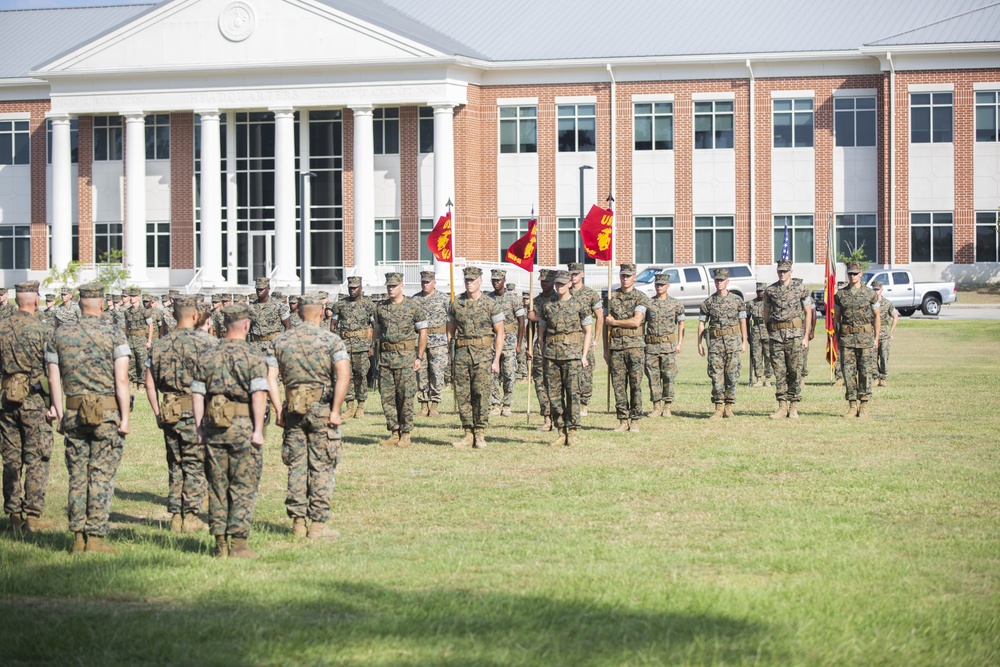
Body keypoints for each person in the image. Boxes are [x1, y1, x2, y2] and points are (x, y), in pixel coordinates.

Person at [46, 283, 132, 554]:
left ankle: (77, 538)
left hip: (72, 412)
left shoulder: (59, 334)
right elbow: (122, 379)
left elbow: (53, 379)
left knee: (77, 475)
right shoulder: (114, 333)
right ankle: (94, 538)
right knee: (101, 475)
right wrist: (125, 417)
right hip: (106, 414)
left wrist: (59, 414)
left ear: (79, 304)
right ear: (102, 304)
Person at [191, 303, 281, 559]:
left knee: (217, 485)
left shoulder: (208, 355)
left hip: (214, 427)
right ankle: (239, 545)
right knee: (243, 485)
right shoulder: (254, 356)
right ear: (246, 325)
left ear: (222, 326)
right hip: (243, 428)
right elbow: (259, 394)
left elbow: (197, 394)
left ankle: (219, 544)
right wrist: (258, 430)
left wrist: (199, 428)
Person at [273, 294, 350, 540]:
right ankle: (317, 525)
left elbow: (269, 377)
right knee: (322, 466)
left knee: (296, 466)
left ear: (297, 314)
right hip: (322, 410)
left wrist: (278, 409)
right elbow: (343, 376)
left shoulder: (281, 341)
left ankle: (298, 523)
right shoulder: (331, 340)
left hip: (293, 409)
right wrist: (336, 410)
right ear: (320, 313)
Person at [145, 295, 217, 533]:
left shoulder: (159, 344)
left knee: (175, 462)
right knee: (195, 463)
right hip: (197, 410)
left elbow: (149, 382)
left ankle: (175, 515)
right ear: (196, 316)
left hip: (169, 409)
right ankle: (191, 515)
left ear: (173, 316)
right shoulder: (207, 343)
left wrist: (157, 411)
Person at [0, 281, 56, 532]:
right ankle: (32, 516)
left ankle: (13, 514)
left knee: (11, 459)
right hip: (35, 402)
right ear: (36, 301)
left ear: (14, 301)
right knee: (36, 458)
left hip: (6, 401)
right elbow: (52, 371)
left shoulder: (2, 327)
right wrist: (55, 404)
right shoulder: (44, 330)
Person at [448, 267, 503, 449]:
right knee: (463, 395)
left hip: (483, 355)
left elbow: (500, 332)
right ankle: (468, 433)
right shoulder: (456, 304)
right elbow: (450, 331)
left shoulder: (491, 304)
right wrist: (451, 354)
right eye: (466, 280)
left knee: (481, 394)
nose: (469, 283)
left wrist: (496, 359)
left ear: (480, 280)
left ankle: (480, 434)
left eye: (472, 280)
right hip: (462, 355)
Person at [373, 273, 428, 448]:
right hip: (386, 359)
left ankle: (406, 433)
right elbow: (377, 330)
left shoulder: (413, 308)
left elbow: (423, 333)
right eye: (388, 285)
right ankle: (394, 432)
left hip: (406, 359)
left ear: (401, 286)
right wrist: (373, 347)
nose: (391, 288)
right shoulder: (381, 309)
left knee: (405, 396)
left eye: (394, 286)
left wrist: (419, 356)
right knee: (387, 397)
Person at [538, 271, 593, 447]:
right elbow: (541, 334)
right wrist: (544, 352)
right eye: (557, 284)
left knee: (573, 394)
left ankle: (573, 431)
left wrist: (583, 356)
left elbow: (587, 331)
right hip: (552, 356)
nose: (559, 287)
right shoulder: (548, 306)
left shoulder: (579, 304)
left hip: (572, 356)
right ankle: (561, 431)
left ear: (570, 284)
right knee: (554, 396)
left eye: (563, 284)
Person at [762, 260, 813, 419]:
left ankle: (793, 406)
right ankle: (782, 406)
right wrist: (769, 331)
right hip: (777, 337)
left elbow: (808, 312)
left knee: (795, 371)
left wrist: (806, 336)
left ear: (791, 271)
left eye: (785, 271)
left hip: (795, 336)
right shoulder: (770, 291)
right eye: (779, 271)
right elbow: (766, 314)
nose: (782, 274)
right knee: (779, 372)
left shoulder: (801, 289)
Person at [697, 269, 747, 418]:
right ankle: (718, 408)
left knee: (732, 376)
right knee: (716, 377)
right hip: (715, 345)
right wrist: (699, 343)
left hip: (733, 344)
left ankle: (729, 407)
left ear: (727, 281)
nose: (719, 283)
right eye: (717, 280)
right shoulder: (708, 303)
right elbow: (701, 324)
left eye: (722, 280)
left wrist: (744, 341)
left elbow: (742, 321)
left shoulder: (737, 301)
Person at [605, 263, 649, 432]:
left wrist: (615, 322)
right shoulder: (612, 297)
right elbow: (604, 326)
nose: (625, 279)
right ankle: (623, 420)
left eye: (628, 276)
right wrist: (605, 349)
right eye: (623, 275)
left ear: (634, 277)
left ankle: (635, 419)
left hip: (635, 347)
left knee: (635, 384)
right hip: (616, 347)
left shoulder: (640, 297)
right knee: (618, 385)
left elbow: (636, 321)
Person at [834, 261, 881, 418]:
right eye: (850, 273)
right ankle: (852, 405)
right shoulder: (840, 295)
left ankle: (864, 405)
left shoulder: (870, 294)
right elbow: (837, 318)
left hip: (865, 339)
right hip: (847, 339)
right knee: (848, 373)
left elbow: (877, 316)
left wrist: (876, 338)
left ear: (861, 274)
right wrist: (837, 336)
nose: (852, 276)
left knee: (866, 372)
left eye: (855, 273)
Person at [329, 276, 375, 418]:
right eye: (350, 288)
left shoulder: (368, 305)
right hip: (344, 346)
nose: (352, 290)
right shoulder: (340, 305)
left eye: (355, 288)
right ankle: (349, 406)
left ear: (361, 288)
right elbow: (333, 325)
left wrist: (372, 345)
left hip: (362, 346)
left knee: (361, 375)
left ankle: (360, 405)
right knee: (345, 376)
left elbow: (375, 327)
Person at [643, 272, 685, 418]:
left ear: (668, 286)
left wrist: (679, 343)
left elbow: (681, 323)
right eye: (657, 284)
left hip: (668, 346)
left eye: (662, 285)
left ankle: (667, 406)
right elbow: (642, 323)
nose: (659, 287)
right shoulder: (648, 303)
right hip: (651, 347)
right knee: (653, 377)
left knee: (669, 376)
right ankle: (656, 406)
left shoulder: (676, 304)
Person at [411, 270, 450, 417]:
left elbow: (451, 319)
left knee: (437, 373)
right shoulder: (415, 300)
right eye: (423, 282)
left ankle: (435, 404)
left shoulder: (443, 298)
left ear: (434, 283)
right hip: (419, 341)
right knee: (421, 373)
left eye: (428, 282)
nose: (425, 284)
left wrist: (450, 338)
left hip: (438, 340)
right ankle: (423, 405)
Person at [488, 269, 525, 417]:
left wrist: (519, 344)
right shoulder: (488, 299)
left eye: (499, 280)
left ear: (504, 280)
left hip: (509, 340)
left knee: (509, 374)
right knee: (493, 373)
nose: (496, 282)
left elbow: (522, 323)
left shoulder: (513, 299)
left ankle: (507, 404)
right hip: (492, 340)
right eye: (494, 280)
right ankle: (495, 404)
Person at [567, 262, 603, 416]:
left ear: (582, 274)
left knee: (586, 371)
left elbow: (599, 316)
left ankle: (584, 403)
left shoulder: (590, 294)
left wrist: (596, 339)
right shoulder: (564, 292)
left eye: (576, 273)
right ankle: (571, 402)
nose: (573, 276)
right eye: (571, 273)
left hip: (584, 337)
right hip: (568, 338)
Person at [527, 269, 557, 431]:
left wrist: (536, 319)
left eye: (547, 281)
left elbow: (556, 323)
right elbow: (529, 326)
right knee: (540, 382)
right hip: (539, 346)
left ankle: (557, 416)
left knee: (554, 382)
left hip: (555, 345)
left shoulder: (558, 300)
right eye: (542, 281)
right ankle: (546, 418)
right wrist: (528, 346)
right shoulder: (535, 302)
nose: (544, 283)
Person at [248, 277, 291, 360]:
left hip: (272, 345)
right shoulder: (251, 307)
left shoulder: (278, 306)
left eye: (262, 289)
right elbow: (247, 328)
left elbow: (288, 326)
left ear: (268, 289)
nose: (259, 291)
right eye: (257, 289)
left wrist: (283, 344)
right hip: (255, 345)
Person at [124, 287, 154, 386]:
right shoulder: (127, 312)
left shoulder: (145, 311)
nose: (131, 298)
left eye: (134, 296)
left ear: (139, 297)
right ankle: (132, 382)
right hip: (130, 340)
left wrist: (149, 341)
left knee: (142, 362)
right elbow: (126, 326)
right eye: (130, 296)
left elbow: (150, 326)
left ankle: (142, 383)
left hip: (141, 340)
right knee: (131, 362)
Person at [746, 282, 773, 387]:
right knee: (756, 356)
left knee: (768, 355)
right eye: (758, 291)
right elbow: (747, 319)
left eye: (762, 291)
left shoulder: (769, 303)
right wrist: (747, 334)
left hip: (767, 330)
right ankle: (759, 379)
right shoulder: (751, 304)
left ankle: (768, 378)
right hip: (756, 331)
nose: (760, 293)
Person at [872, 281, 898, 387]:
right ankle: (875, 377)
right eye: (874, 289)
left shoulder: (887, 303)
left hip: (884, 333)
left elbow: (895, 317)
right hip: (872, 334)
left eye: (878, 289)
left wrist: (891, 332)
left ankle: (883, 377)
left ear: (882, 290)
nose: (876, 291)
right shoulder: (869, 303)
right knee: (872, 357)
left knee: (884, 355)